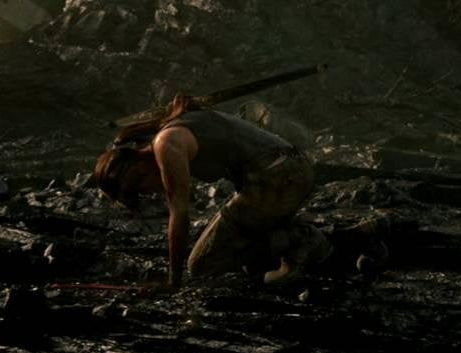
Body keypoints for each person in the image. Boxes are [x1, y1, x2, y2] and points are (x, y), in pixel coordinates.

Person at [94, 94, 330, 287]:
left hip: (276, 179)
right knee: (232, 243)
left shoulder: (166, 144)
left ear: (136, 171)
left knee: (202, 264)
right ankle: (288, 241)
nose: (148, 193)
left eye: (138, 190)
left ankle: (299, 238)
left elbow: (180, 214)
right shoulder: (172, 130)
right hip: (290, 171)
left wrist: (173, 281)